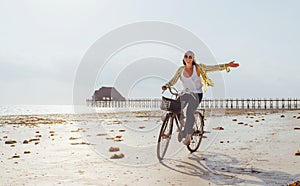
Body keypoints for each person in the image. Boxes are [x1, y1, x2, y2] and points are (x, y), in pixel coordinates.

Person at [162, 50, 239, 145]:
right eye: (186, 56)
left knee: (190, 112)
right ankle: (183, 123)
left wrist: (226, 65)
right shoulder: (181, 69)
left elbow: (213, 68)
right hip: (186, 93)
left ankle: (188, 136)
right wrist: (167, 85)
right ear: (183, 58)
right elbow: (173, 80)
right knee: (175, 106)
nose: (188, 58)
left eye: (190, 57)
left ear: (193, 59)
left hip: (197, 94)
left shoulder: (198, 68)